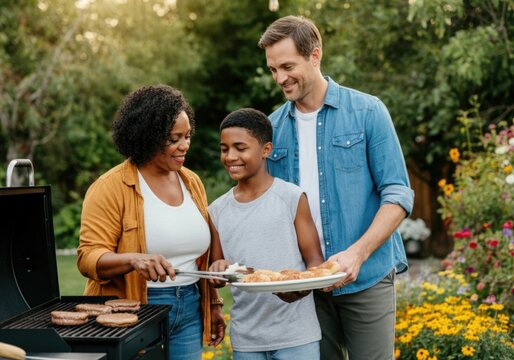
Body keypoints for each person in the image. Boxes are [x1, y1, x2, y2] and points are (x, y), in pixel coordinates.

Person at [258, 16, 415, 360]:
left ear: (315, 56)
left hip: (368, 278)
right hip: (306, 287)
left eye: (287, 66)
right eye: (273, 69)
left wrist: (357, 254)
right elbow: (269, 209)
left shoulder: (368, 112)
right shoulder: (270, 129)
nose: (280, 78)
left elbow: (398, 194)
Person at [76, 84, 225, 360]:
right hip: (136, 308)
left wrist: (214, 303)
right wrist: (135, 260)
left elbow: (205, 249)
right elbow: (88, 258)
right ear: (147, 138)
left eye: (187, 136)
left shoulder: (191, 181)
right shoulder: (110, 187)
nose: (184, 146)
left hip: (190, 305)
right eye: (173, 139)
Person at [208, 108, 325, 360]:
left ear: (266, 150)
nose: (230, 156)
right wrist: (217, 270)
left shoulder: (291, 197)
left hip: (296, 334)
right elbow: (217, 272)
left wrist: (301, 287)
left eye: (240, 147)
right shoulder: (217, 210)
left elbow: (315, 260)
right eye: (224, 148)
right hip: (247, 338)